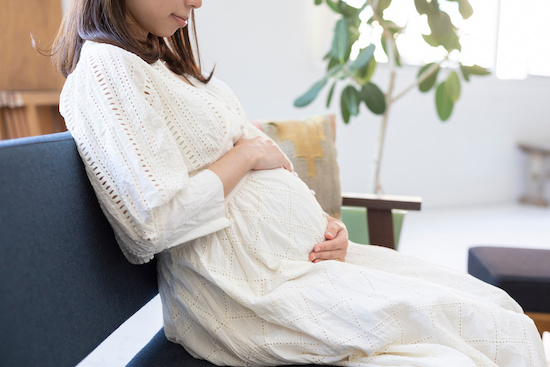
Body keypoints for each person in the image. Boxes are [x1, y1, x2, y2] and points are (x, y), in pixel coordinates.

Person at [53, 0, 546, 366]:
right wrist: (245, 154)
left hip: (296, 265)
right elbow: (151, 223)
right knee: (463, 348)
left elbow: (266, 163)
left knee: (494, 308)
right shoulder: (104, 69)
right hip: (245, 291)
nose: (198, 2)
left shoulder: (163, 62)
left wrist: (328, 226)